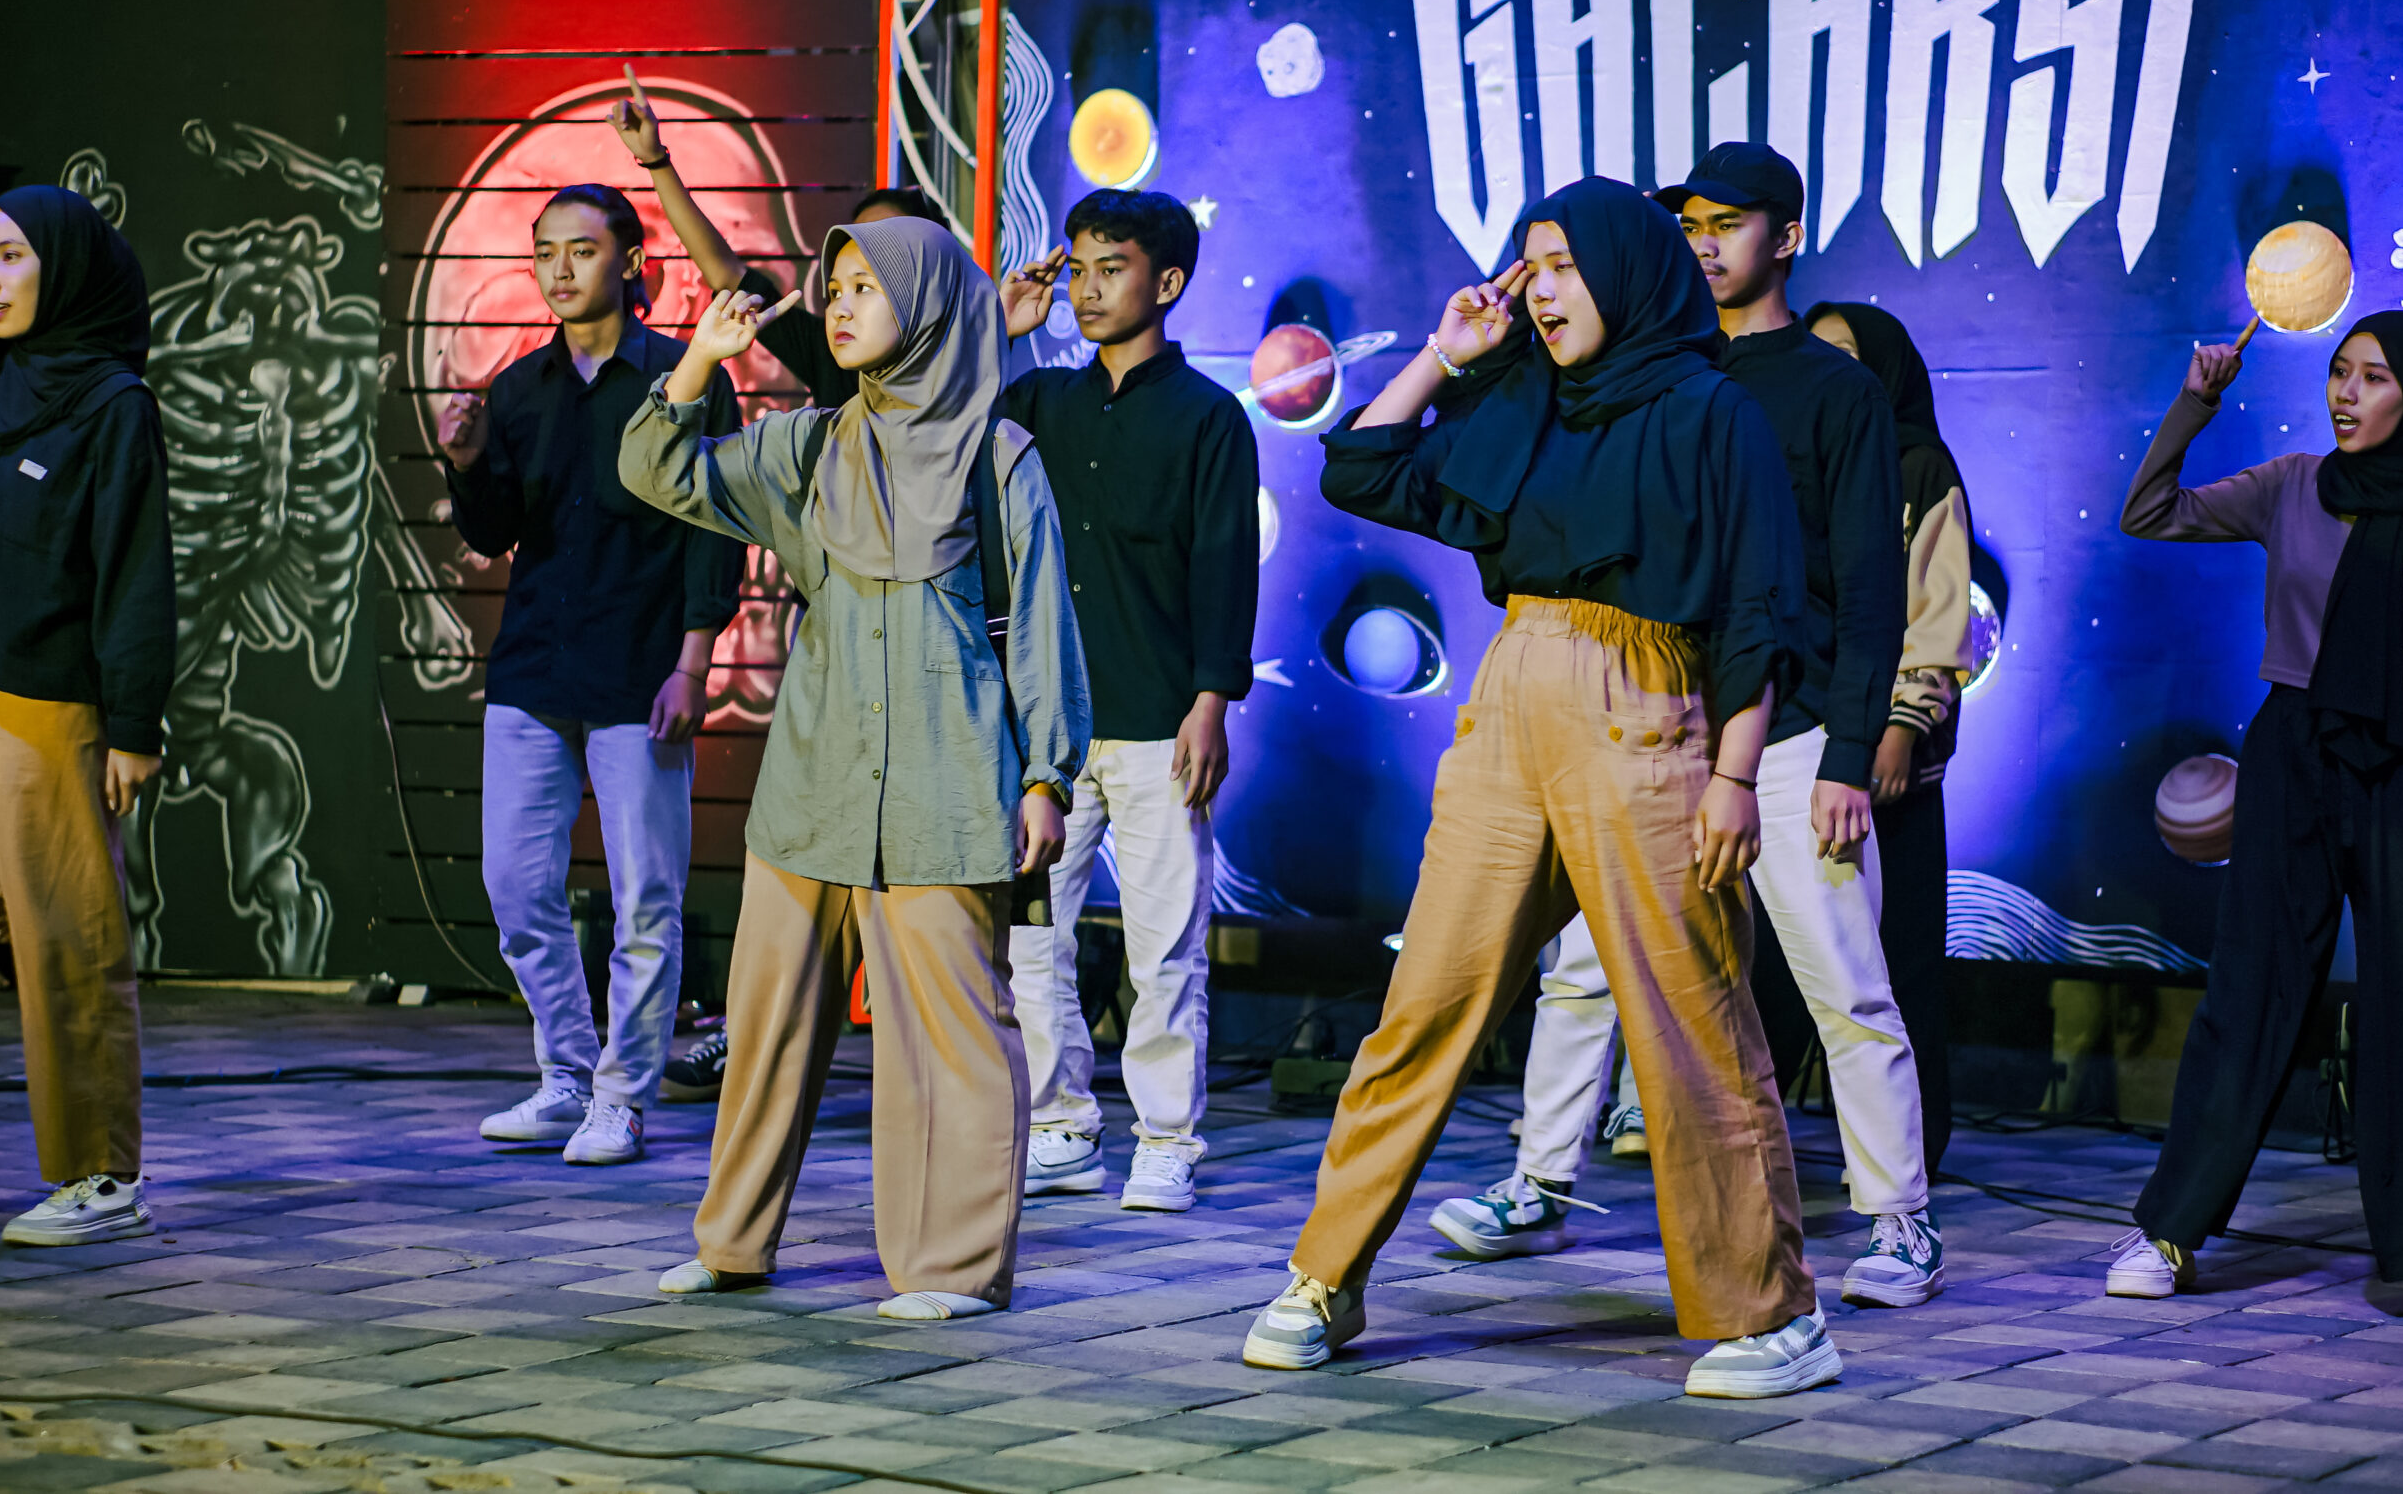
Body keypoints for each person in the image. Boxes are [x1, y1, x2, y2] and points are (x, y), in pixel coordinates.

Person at [1246, 176, 1837, 1399]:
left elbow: (1759, 606)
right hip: (1512, 696)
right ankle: (1324, 1274)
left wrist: (1734, 772)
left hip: (1647, 703)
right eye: (1531, 266)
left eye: (1564, 264)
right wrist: (1443, 353)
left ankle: (1770, 1314)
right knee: (1424, 1002)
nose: (1542, 290)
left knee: (1689, 1020)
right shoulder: (1521, 399)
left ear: (1625, 270)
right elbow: (1361, 471)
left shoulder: (1710, 410)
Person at [621, 216, 1091, 1321]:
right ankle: (733, 1243)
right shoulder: (808, 446)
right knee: (767, 1027)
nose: (839, 305)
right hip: (814, 786)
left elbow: (1042, 631)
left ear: (926, 308)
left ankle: (952, 1266)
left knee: (951, 1038)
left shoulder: (997, 457)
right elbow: (656, 470)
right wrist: (698, 362)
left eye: (866, 287)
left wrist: (1047, 777)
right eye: (833, 286)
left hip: (944, 783)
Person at [2111, 311, 2403, 1325]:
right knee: (2249, 989)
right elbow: (2148, 511)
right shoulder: (2292, 485)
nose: (2345, 393)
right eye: (2338, 372)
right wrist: (2195, 402)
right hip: (2292, 749)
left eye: (2373, 377)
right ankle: (2168, 1230)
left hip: (2400, 761)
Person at [1666, 144, 1937, 1308]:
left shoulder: (1837, 391)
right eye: (1689, 225)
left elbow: (1871, 584)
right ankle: (1539, 1181)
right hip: (1665, 726)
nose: (1704, 244)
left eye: (1727, 223)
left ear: (1784, 235)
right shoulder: (1667, 370)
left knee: (1846, 986)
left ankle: (1900, 1222)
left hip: (1795, 732)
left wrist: (1847, 752)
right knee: (1597, 975)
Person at [439, 185, 744, 1166]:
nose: (560, 268)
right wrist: (466, 462)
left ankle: (623, 1095)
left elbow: (715, 526)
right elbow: (495, 530)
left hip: (641, 668)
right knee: (513, 881)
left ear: (632, 262)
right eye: (545, 251)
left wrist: (694, 660)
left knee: (646, 896)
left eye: (581, 248)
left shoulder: (684, 373)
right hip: (534, 664)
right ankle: (566, 1074)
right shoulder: (519, 388)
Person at [996, 190, 1259, 1211]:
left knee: (1165, 947)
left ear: (1168, 281)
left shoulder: (1207, 416)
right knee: (1030, 938)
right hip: (1048, 733)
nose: (1087, 287)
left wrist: (1211, 699)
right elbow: (942, 434)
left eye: (1111, 268)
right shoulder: (1040, 400)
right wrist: (1002, 332)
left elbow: (1224, 564)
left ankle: (1167, 1139)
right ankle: (1061, 1123)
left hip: (1158, 720)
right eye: (1078, 267)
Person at [0, 186, 171, 1246]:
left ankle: (99, 1176)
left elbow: (135, 572)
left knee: (65, 939)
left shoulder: (112, 405)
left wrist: (133, 727)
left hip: (47, 702)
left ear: (67, 267)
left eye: (11, 256)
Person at [1806, 301, 1976, 1175]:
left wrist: (1905, 726)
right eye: (1816, 353)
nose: (1831, 371)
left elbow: (1939, 609)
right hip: (1800, 742)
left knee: (1900, 955)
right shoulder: (1796, 456)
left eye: (1847, 354)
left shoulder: (1918, 464)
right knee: (1792, 956)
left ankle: (1910, 1147)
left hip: (1886, 753)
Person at [611, 68, 946, 413]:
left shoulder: (971, 382)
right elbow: (725, 273)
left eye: (887, 247)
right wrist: (656, 160)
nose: (842, 308)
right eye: (835, 292)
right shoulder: (826, 362)